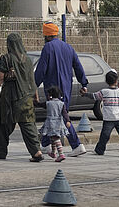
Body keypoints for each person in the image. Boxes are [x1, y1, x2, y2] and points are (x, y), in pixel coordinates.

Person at [34, 21, 89, 156]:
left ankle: (76, 145)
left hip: (53, 89)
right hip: (66, 88)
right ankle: (46, 144)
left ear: (46, 35)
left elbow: (41, 70)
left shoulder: (47, 48)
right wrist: (84, 84)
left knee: (59, 116)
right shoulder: (68, 47)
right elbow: (78, 66)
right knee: (55, 115)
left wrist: (32, 85)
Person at [0, 33, 44, 162]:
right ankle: (36, 152)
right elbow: (31, 79)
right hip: (26, 98)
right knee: (29, 126)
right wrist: (35, 96)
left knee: (1, 126)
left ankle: (0, 152)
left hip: (9, 98)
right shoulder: (28, 60)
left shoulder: (6, 59)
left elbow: (1, 77)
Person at [88, 70, 119, 157]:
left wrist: (85, 94)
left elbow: (94, 96)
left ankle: (99, 150)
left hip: (109, 119)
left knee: (105, 135)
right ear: (116, 81)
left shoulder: (104, 92)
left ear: (106, 81)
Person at [39, 86, 70, 162]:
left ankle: (61, 154)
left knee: (55, 138)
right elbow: (65, 113)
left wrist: (34, 102)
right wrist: (68, 121)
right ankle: (53, 152)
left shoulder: (48, 103)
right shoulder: (61, 103)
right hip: (59, 123)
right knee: (53, 137)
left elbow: (39, 104)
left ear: (50, 95)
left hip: (51, 123)